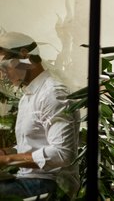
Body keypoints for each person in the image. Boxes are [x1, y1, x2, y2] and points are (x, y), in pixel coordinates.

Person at [0, 32, 80, 200]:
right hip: (29, 178)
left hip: (54, 184)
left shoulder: (53, 93)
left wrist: (8, 160)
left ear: (24, 56)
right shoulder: (28, 96)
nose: (3, 73)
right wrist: (7, 152)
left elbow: (63, 154)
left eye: (4, 65)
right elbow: (36, 144)